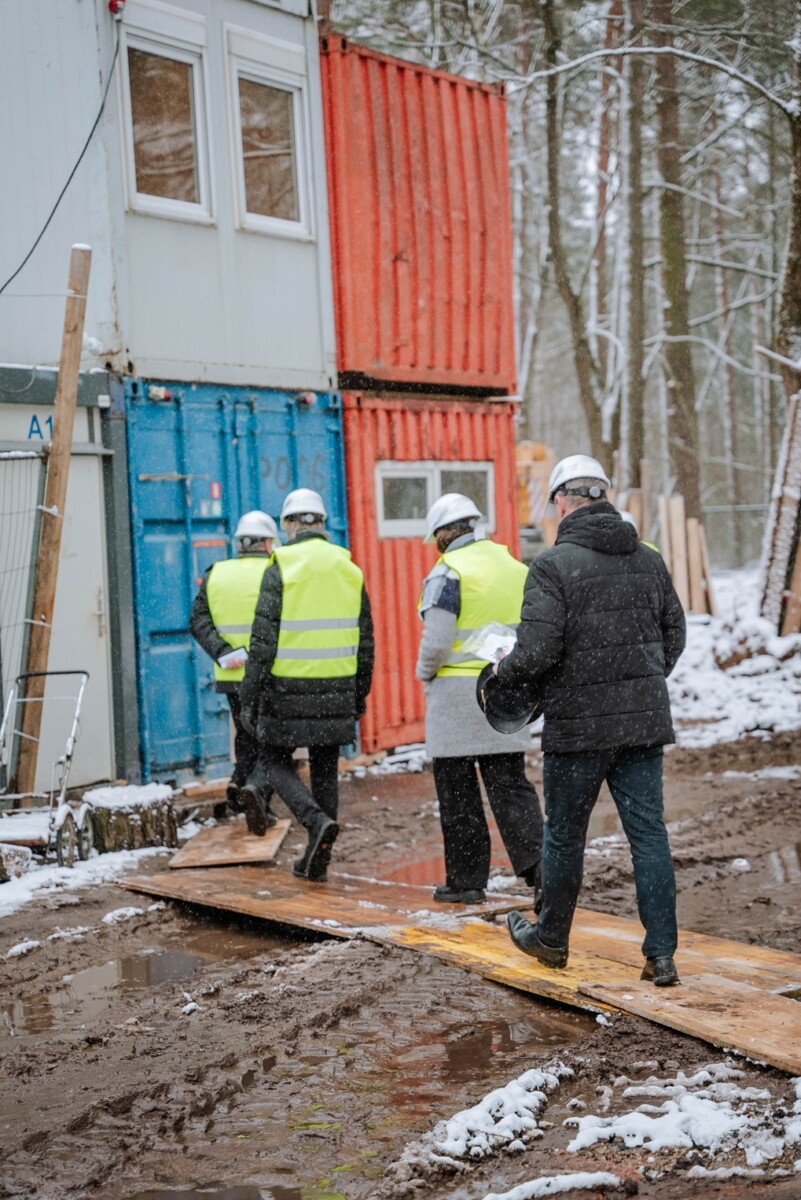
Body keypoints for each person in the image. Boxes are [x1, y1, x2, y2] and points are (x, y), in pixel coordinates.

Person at [497, 455, 686, 986]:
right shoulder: (648, 559)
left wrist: (501, 671)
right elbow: (674, 634)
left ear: (561, 501)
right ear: (604, 496)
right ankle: (662, 954)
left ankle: (552, 939)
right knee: (649, 837)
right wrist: (640, 683)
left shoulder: (553, 565)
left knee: (564, 838)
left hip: (578, 729)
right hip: (641, 726)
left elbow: (536, 652)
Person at [239, 488, 374, 882]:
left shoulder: (281, 565)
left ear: (289, 525)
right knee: (325, 767)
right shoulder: (349, 567)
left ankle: (315, 822)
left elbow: (262, 642)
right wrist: (358, 693)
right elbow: (365, 639)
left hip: (288, 688)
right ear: (322, 524)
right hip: (336, 687)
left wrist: (250, 696)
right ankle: (319, 860)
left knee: (272, 761)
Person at [416, 493, 544, 905]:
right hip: (503, 691)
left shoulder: (446, 572)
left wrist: (423, 674)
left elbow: (436, 643)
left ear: (442, 534)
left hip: (456, 700)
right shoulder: (513, 566)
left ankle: (467, 882)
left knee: (458, 795)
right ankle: (544, 872)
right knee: (510, 789)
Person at [190, 510, 278, 831]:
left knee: (246, 734)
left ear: (240, 542)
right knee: (269, 740)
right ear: (268, 542)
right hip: (270, 672)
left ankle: (238, 786)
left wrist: (223, 651)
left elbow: (197, 621)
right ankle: (257, 799)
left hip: (231, 676)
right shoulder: (275, 570)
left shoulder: (216, 574)